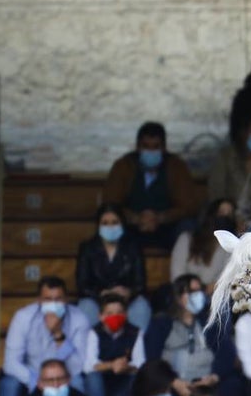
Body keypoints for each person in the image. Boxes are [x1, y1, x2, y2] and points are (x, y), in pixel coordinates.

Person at [0, 275, 91, 396]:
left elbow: (77, 366)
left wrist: (58, 335)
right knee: (8, 386)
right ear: (39, 300)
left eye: (58, 299)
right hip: (30, 376)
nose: (54, 304)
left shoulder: (79, 319)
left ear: (66, 299)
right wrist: (38, 381)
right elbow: (10, 363)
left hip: (63, 377)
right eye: (48, 299)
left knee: (78, 383)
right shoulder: (24, 317)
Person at [144, 273, 240, 396]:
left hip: (206, 382)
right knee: (155, 390)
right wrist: (174, 382)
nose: (198, 295)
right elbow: (152, 359)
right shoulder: (161, 323)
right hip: (174, 383)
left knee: (233, 386)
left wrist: (213, 377)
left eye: (200, 290)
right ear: (179, 296)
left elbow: (226, 354)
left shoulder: (210, 321)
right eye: (192, 291)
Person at [101, 122, 198, 251]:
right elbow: (111, 203)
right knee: (111, 226)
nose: (151, 151)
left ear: (164, 148)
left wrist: (160, 218)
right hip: (132, 227)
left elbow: (187, 206)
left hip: (167, 228)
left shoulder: (176, 167)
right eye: (146, 146)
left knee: (188, 227)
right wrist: (136, 218)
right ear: (138, 147)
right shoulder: (124, 166)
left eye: (156, 147)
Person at [74, 203, 151, 331]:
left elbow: (140, 283)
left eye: (115, 222)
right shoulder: (87, 248)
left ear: (122, 224)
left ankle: (134, 348)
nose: (110, 226)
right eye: (105, 223)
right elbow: (82, 285)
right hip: (97, 300)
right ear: (98, 225)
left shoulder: (133, 247)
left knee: (141, 307)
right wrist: (101, 293)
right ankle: (91, 349)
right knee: (85, 307)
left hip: (126, 300)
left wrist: (128, 292)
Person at [81, 293, 146, 396]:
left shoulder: (134, 332)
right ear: (101, 316)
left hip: (124, 379)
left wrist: (124, 367)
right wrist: (112, 365)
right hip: (102, 381)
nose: (114, 316)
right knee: (92, 378)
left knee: (138, 378)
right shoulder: (94, 333)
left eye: (119, 313)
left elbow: (140, 364)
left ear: (126, 314)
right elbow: (88, 366)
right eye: (109, 313)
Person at [206, 112, 251, 228]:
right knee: (225, 208)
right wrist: (234, 216)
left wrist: (249, 222)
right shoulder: (225, 157)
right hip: (225, 216)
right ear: (244, 132)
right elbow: (216, 191)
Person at [171, 198, 234, 288]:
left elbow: (226, 275)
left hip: (213, 296)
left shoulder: (228, 246)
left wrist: (214, 287)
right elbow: (177, 273)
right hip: (185, 293)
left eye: (229, 214)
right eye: (221, 212)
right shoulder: (186, 239)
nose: (225, 217)